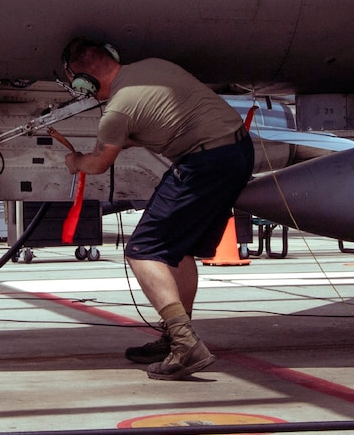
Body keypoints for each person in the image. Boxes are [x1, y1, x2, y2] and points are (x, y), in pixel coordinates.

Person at [52, 38, 253, 380]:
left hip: (203, 161)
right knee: (178, 249)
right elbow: (158, 120)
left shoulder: (116, 111)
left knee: (144, 249)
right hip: (237, 152)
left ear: (84, 82)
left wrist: (75, 161)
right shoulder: (151, 67)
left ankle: (185, 345)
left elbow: (99, 164)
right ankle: (176, 337)